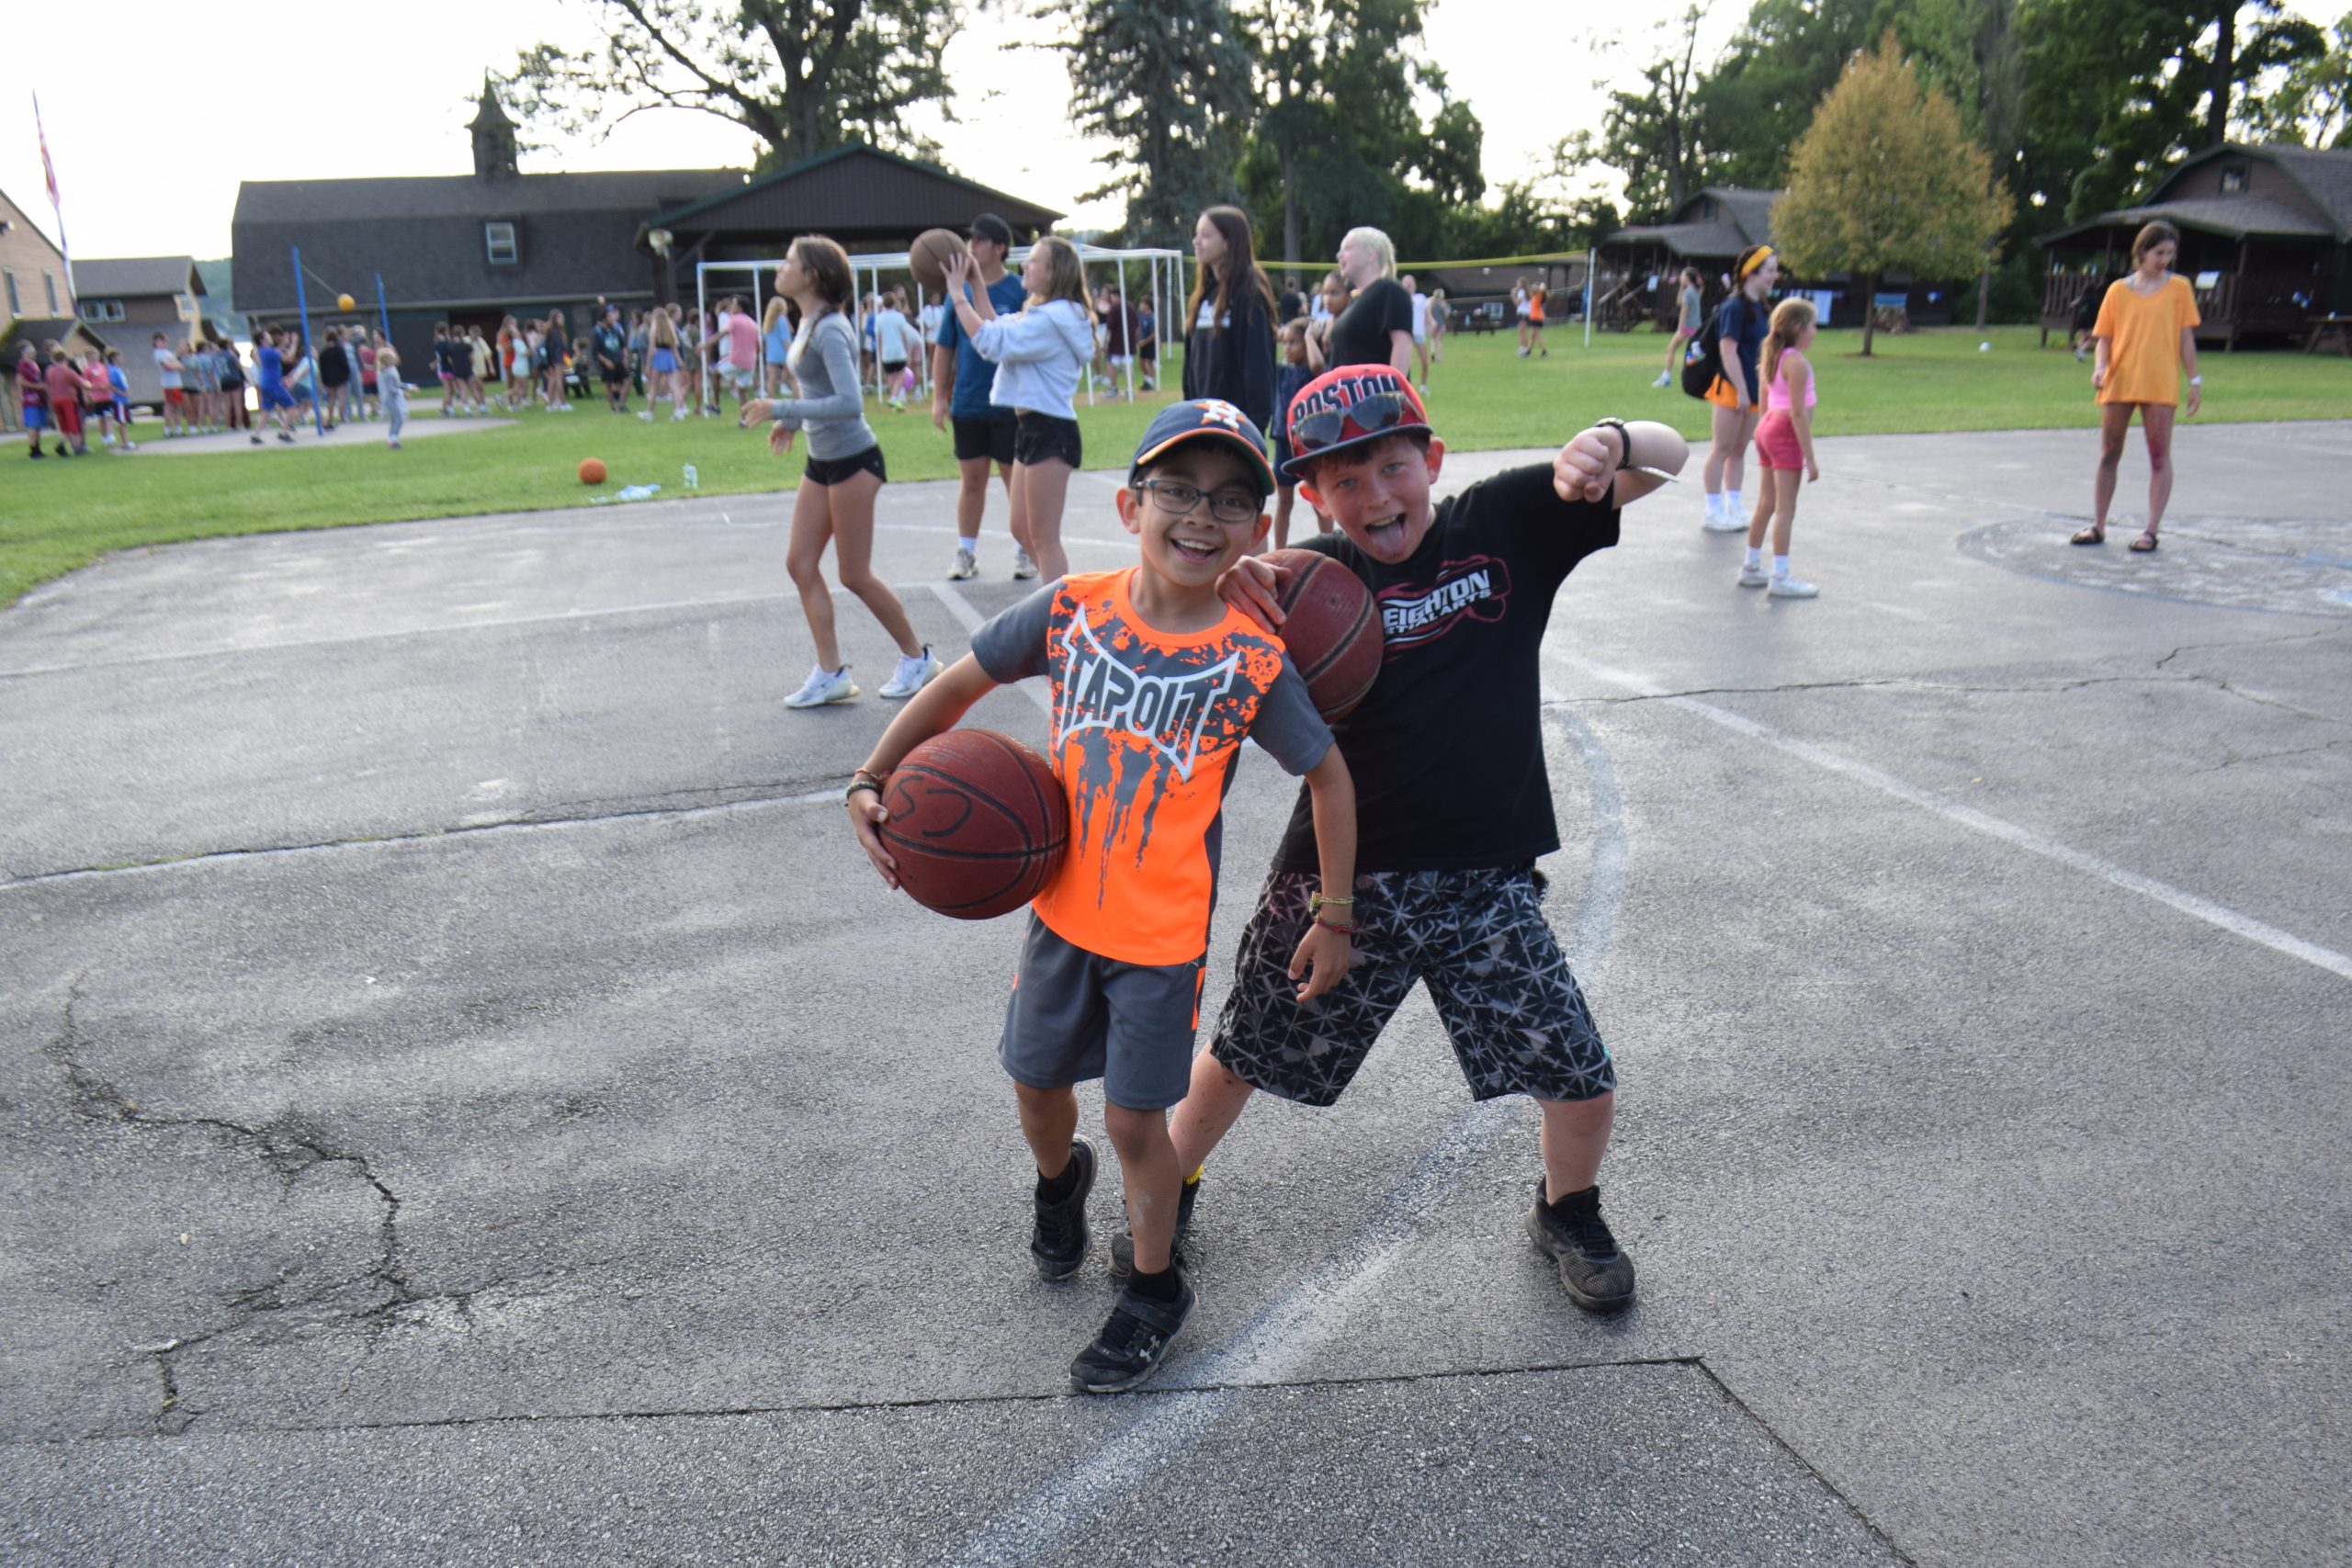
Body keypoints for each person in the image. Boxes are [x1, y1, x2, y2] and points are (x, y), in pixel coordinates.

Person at [1116, 364, 1690, 1318]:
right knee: (1245, 1052)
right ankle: (1168, 1185)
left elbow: (1668, 460)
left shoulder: (1507, 522)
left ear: (1431, 458)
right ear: (1312, 497)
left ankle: (1567, 1209)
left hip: (1481, 878)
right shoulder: (1293, 585)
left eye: (1391, 466)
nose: (1375, 495)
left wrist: (1614, 443)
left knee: (1580, 1081)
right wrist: (1228, 579)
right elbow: (1178, 598)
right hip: (1338, 884)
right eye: (1344, 481)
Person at [844, 399, 1359, 1393]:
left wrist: (1332, 913)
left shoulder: (1251, 661)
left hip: (1161, 941)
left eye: (1230, 500)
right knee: (1036, 1090)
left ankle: (1155, 1290)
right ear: (1130, 505)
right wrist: (870, 775)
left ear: (1260, 527)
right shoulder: (1073, 609)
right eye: (1177, 491)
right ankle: (1057, 1182)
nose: (1200, 517)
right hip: (1060, 919)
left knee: (1134, 1124)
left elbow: (1328, 776)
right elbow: (955, 688)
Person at [742, 233, 942, 711]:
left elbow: (850, 402)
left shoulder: (831, 329)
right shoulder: (808, 320)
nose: (781, 266)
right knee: (800, 562)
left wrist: (779, 407)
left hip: (854, 461)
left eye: (789, 260)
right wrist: (791, 421)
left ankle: (919, 660)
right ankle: (830, 673)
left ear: (812, 274)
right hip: (823, 459)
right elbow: (819, 389)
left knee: (854, 573)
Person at [943, 232, 1096, 585]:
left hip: (1051, 430)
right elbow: (996, 325)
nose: (1024, 265)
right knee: (1021, 528)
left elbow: (990, 342)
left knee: (1043, 537)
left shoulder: (1052, 320)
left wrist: (956, 294)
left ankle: (1059, 617)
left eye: (1034, 260)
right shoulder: (1043, 315)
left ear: (1053, 271)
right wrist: (977, 284)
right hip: (1030, 428)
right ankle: (1055, 605)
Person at [2074, 221, 2201, 554]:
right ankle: (2098, 525)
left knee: (2159, 456)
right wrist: (2100, 367)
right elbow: (2104, 337)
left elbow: (2185, 338)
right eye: (2159, 253)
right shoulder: (2118, 290)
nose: (2165, 260)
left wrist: (2194, 381)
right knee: (2109, 452)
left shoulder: (2179, 288)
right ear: (2142, 252)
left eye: (2170, 253)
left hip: (2159, 380)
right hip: (2121, 378)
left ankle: (2150, 530)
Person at [931, 213, 1028, 581]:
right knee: (971, 481)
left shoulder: (1019, 289)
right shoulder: (960, 293)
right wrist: (939, 397)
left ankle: (1024, 550)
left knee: (1013, 482)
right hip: (969, 400)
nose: (971, 247)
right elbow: (944, 346)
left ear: (1000, 247)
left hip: (1008, 403)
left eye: (980, 240)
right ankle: (966, 552)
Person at [1744, 299, 1822, 598]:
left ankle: (1751, 567)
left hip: (1767, 429)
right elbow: (1798, 414)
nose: (1815, 331)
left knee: (1767, 503)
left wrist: (1763, 434)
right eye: (1812, 325)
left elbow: (1765, 403)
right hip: (1785, 433)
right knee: (1786, 510)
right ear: (1799, 328)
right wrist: (1810, 460)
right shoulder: (1797, 363)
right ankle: (1781, 575)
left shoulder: (1772, 356)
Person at [1701, 243, 1780, 534]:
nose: (1775, 276)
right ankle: (1712, 508)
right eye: (1770, 271)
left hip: (1753, 391)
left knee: (1738, 450)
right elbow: (1727, 350)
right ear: (1752, 274)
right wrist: (1742, 390)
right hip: (1732, 390)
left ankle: (1733, 504)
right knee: (1721, 448)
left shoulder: (1760, 308)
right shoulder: (1733, 307)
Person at [1182, 206, 1278, 432]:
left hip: (1235, 425)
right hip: (1203, 420)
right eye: (1196, 234)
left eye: (1205, 235)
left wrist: (1253, 426)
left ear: (1228, 242)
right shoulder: (1204, 294)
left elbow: (1257, 365)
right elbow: (1191, 364)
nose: (1196, 241)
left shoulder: (1248, 291)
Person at [1327, 228, 1414, 378]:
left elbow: (1402, 345)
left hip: (1375, 399)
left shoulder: (1390, 291)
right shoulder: (1355, 302)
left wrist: (1391, 395)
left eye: (1347, 248)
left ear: (1371, 255)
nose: (1339, 255)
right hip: (1350, 399)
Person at [1270, 318, 1318, 548]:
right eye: (1285, 342)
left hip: (1309, 441)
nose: (1287, 348)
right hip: (1283, 441)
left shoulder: (1312, 372)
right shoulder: (1281, 371)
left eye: (1294, 342)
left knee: (1319, 497)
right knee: (1284, 501)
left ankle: (1327, 547)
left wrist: (1309, 336)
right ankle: (1280, 551)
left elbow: (1318, 365)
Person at [1657, 265, 1705, 388]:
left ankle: (1666, 376)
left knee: (1671, 348)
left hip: (1687, 326)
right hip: (1697, 326)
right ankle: (1698, 377)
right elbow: (1679, 302)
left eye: (1682, 275)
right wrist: (1681, 287)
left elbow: (1684, 310)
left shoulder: (1688, 292)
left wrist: (1680, 327)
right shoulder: (1694, 290)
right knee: (1694, 354)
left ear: (1687, 278)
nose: (1680, 277)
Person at [250, 329, 299, 444]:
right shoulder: (269, 352)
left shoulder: (262, 351)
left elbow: (276, 351)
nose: (270, 338)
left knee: (266, 411)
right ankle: (283, 432)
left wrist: (284, 343)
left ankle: (255, 435)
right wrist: (294, 343)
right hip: (274, 384)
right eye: (267, 336)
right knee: (291, 406)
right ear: (263, 340)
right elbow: (288, 358)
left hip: (265, 383)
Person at [873, 289, 917, 411]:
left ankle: (895, 401)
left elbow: (879, 337)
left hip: (887, 352)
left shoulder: (879, 318)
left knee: (891, 376)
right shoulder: (899, 317)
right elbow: (904, 335)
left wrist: (880, 352)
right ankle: (893, 398)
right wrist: (907, 350)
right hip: (899, 350)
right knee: (901, 374)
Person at [44, 344, 89, 456]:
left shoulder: (50, 372)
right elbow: (82, 384)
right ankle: (76, 447)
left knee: (63, 424)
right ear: (65, 359)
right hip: (68, 399)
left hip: (55, 400)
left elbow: (48, 386)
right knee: (72, 423)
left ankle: (62, 444)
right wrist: (88, 383)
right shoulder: (68, 371)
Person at [1305, 270, 1349, 372]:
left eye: (1334, 293)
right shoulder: (1321, 326)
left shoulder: (1350, 326)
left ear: (1348, 295)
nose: (1328, 299)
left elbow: (1317, 366)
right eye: (1325, 293)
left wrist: (1309, 338)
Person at [648, 308, 686, 421]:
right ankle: (679, 410)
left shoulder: (654, 329)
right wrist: (679, 360)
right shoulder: (670, 328)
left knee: (653, 387)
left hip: (658, 356)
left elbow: (651, 348)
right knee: (674, 386)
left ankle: (650, 412)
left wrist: (648, 364)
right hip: (669, 357)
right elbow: (674, 347)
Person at [594, 305, 630, 413]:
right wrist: (606, 361)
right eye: (609, 316)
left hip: (619, 360)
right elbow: (596, 351)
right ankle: (613, 408)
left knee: (628, 381)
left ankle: (622, 405)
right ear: (604, 318)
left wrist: (625, 357)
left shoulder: (616, 329)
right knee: (609, 385)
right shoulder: (598, 332)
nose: (612, 318)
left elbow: (622, 345)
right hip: (608, 362)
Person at [17, 342, 49, 458]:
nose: (33, 354)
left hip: (39, 398)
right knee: (32, 424)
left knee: (38, 425)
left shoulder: (34, 364)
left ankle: (38, 448)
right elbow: (20, 381)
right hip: (30, 398)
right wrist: (38, 387)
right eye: (30, 352)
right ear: (25, 352)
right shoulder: (23, 364)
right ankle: (33, 450)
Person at [153, 333, 187, 438]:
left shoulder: (168, 353)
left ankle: (178, 428)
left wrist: (176, 365)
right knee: (169, 406)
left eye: (163, 340)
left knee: (177, 406)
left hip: (176, 382)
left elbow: (180, 365)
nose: (161, 342)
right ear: (155, 342)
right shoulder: (158, 353)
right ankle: (167, 429)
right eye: (159, 341)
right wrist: (175, 366)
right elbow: (166, 366)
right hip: (169, 383)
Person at [378, 343, 409, 449]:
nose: (394, 358)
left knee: (396, 419)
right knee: (399, 418)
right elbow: (392, 389)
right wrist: (402, 390)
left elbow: (398, 384)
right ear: (387, 360)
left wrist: (408, 387)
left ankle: (392, 439)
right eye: (391, 357)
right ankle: (393, 439)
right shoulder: (388, 372)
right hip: (391, 399)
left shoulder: (392, 370)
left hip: (392, 398)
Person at [762, 293, 792, 398]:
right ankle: (784, 386)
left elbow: (764, 338)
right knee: (791, 372)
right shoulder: (782, 320)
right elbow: (785, 338)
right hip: (783, 351)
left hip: (771, 352)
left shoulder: (768, 322)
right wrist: (790, 351)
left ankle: (771, 399)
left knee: (771, 379)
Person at [1404, 275, 1430, 389]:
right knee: (1406, 363)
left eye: (1411, 282)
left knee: (1425, 361)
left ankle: (1423, 386)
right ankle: (1406, 387)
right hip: (1406, 334)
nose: (1409, 284)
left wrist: (1431, 323)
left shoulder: (1421, 298)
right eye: (1406, 282)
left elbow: (1427, 313)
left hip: (1419, 333)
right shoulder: (1400, 298)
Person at [1135, 297, 1158, 391]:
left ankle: (1150, 382)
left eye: (1142, 304)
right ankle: (1146, 379)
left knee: (1149, 362)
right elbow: (1138, 328)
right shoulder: (1141, 315)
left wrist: (1145, 341)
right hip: (1142, 342)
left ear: (1147, 305)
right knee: (1141, 361)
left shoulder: (1151, 317)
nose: (1141, 306)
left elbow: (1153, 333)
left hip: (1150, 343)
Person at [1425, 287, 1447, 366]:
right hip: (1441, 323)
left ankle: (1433, 352)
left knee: (1433, 339)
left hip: (1433, 323)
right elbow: (1446, 314)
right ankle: (1439, 356)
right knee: (1439, 340)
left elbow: (1429, 312)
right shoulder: (1442, 303)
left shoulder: (1431, 302)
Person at [1528, 278, 1549, 356]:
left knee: (1536, 335)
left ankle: (1544, 351)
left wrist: (1541, 286)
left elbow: (1540, 288)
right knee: (1532, 335)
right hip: (1534, 318)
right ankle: (1529, 351)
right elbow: (1533, 288)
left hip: (1536, 318)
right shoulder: (1535, 296)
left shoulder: (1539, 295)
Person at [1513, 277, 1532, 355]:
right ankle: (1524, 347)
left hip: (1522, 313)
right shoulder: (1527, 292)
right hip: (1526, 313)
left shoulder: (1521, 292)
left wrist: (1513, 295)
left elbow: (1517, 303)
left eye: (1518, 283)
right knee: (1522, 331)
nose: (1517, 285)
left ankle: (1524, 348)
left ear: (1522, 284)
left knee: (1522, 331)